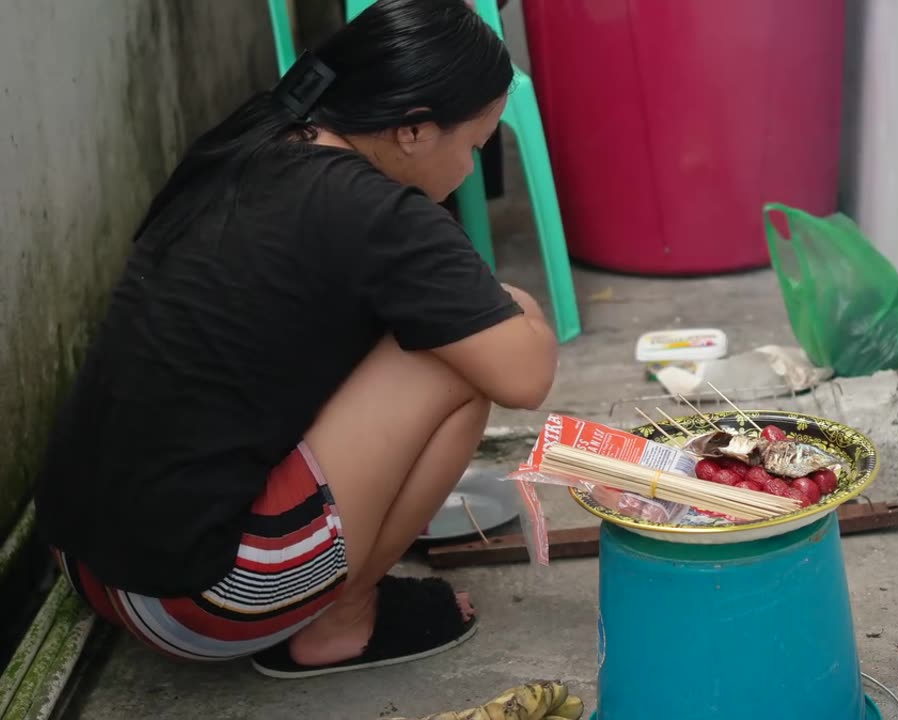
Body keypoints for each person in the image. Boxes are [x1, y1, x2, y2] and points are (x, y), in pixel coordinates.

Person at [34, 0, 557, 679]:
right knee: (460, 364)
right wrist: (520, 307)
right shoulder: (379, 212)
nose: (467, 170)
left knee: (430, 331)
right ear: (414, 130)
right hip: (201, 599)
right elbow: (523, 376)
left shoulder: (257, 137)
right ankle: (340, 621)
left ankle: (323, 570)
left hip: (88, 559)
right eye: (472, 148)